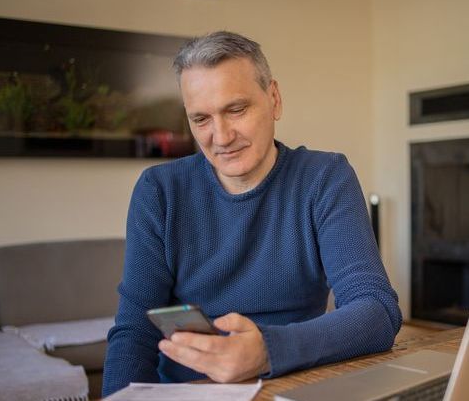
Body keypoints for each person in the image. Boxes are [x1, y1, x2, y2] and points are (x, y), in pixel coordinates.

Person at [102, 31, 402, 396]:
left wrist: (267, 352)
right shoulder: (159, 191)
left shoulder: (324, 178)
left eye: (236, 110)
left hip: (294, 386)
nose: (221, 136)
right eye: (201, 119)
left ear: (273, 99)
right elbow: (135, 330)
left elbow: (377, 312)